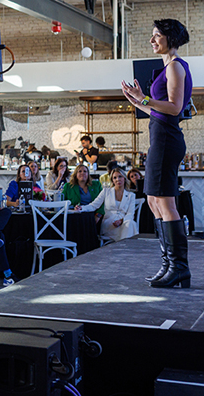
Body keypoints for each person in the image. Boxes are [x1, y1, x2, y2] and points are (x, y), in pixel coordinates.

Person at [121, 18, 193, 289]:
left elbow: (174, 108)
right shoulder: (168, 67)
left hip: (167, 140)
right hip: (160, 136)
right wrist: (137, 101)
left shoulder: (175, 66)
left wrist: (145, 100)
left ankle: (179, 268)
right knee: (153, 201)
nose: (152, 40)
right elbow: (160, 111)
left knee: (166, 204)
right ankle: (168, 265)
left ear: (170, 39)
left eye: (156, 36)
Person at [82, 168, 137, 242]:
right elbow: (94, 205)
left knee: (130, 223)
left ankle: (123, 247)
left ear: (124, 178)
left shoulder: (131, 195)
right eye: (115, 178)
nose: (118, 179)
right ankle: (125, 248)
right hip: (110, 224)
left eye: (120, 176)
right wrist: (82, 208)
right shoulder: (106, 191)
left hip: (124, 223)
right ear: (112, 181)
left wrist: (121, 221)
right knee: (131, 226)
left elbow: (130, 213)